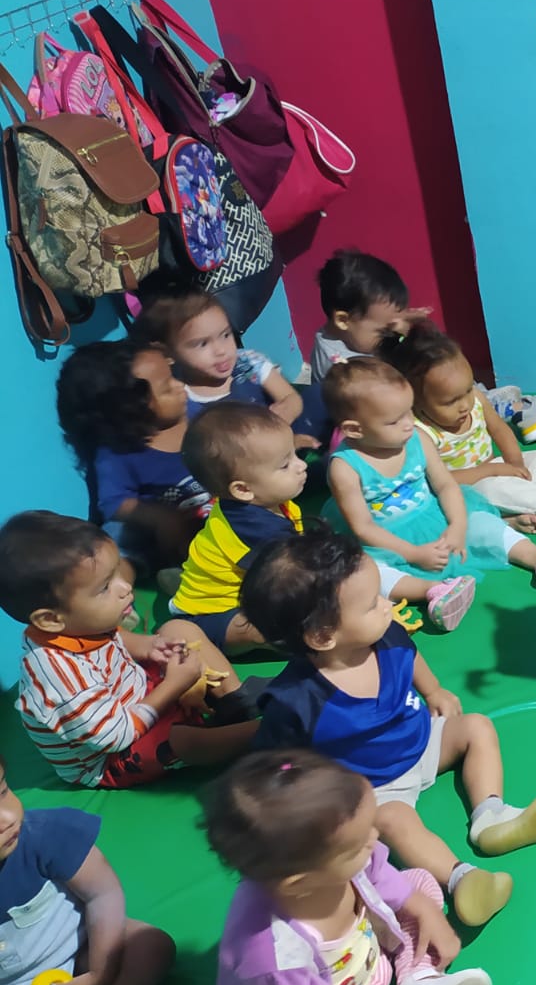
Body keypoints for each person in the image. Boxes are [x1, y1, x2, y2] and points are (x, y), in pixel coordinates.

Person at [240, 531, 536, 928]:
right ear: (323, 636)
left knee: (476, 727)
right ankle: (462, 878)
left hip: (422, 740)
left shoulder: (386, 635)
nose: (388, 605)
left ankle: (491, 816)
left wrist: (434, 690)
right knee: (395, 821)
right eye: (372, 604)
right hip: (375, 787)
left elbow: (411, 659)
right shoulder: (298, 701)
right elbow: (278, 765)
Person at [208, 751, 512, 985]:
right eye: (357, 845)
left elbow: (382, 875)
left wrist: (426, 912)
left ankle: (418, 982)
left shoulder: (343, 853)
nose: (374, 838)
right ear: (300, 883)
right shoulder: (274, 957)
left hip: (366, 960)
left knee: (418, 882)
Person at [170, 404, 475, 649]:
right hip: (218, 615)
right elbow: (304, 585)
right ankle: (184, 604)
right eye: (285, 464)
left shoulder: (261, 502)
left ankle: (432, 590)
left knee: (350, 568)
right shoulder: (255, 533)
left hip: (253, 587)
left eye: (294, 455)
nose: (301, 465)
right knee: (281, 630)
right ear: (243, 489)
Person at [0, 511, 260, 789]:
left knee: (179, 629)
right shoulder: (58, 676)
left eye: (117, 572)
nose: (125, 588)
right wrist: (173, 685)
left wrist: (152, 646)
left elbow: (117, 638)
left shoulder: (79, 625)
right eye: (104, 588)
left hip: (141, 693)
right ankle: (258, 734)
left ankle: (235, 702)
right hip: (111, 755)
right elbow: (115, 735)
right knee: (179, 741)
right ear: (51, 619)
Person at [0, 755, 175, 985]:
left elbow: (103, 893)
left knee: (151, 947)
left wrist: (99, 973)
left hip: (77, 952)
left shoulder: (45, 835)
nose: (6, 818)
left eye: (2, 791)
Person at [320, 358, 536, 591]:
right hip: (384, 540)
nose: (408, 424)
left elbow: (445, 486)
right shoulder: (345, 468)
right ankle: (433, 592)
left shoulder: (417, 438)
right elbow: (363, 528)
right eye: (394, 421)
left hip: (433, 515)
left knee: (482, 523)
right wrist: (413, 554)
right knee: (365, 573)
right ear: (354, 430)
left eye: (408, 412)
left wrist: (457, 526)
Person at [378, 324, 536, 525]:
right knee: (490, 489)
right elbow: (440, 482)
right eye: (450, 402)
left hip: (496, 472)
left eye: (468, 390)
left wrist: (516, 464)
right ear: (416, 401)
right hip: (465, 490)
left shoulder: (476, 399)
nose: (464, 405)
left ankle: (519, 508)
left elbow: (500, 430)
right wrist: (491, 471)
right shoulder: (421, 432)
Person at [56, 340, 209, 577]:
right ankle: (129, 581)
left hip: (217, 512)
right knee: (114, 538)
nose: (181, 386)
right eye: (167, 387)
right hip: (166, 533)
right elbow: (113, 503)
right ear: (132, 409)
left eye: (173, 376)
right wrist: (159, 517)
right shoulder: (119, 453)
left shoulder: (195, 414)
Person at [129, 272, 323, 448]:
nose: (221, 350)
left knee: (320, 393)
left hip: (282, 436)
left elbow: (291, 397)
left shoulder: (247, 362)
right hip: (243, 463)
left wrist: (287, 410)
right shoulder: (180, 395)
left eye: (225, 335)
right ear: (167, 353)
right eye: (202, 344)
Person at [312, 251, 432, 382]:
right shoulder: (344, 371)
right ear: (343, 320)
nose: (394, 332)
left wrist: (401, 320)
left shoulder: (351, 333)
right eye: (384, 331)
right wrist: (402, 335)